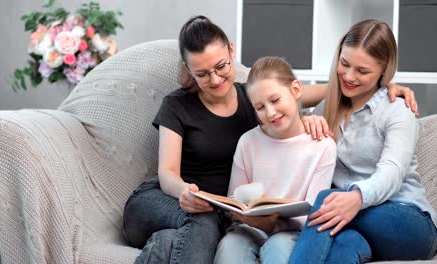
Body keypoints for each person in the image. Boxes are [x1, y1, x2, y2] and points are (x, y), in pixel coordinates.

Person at [122, 15, 418, 264]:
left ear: (231, 53)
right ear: (188, 71)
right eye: (202, 73)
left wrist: (381, 83)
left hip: (224, 214)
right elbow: (167, 173)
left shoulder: (250, 97)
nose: (215, 79)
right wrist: (187, 191)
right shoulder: (180, 105)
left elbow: (312, 89)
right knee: (206, 224)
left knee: (182, 236)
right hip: (178, 199)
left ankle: (163, 245)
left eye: (221, 66)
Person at [289, 19, 437, 264]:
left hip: (411, 224)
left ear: (384, 71)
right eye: (344, 64)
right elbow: (276, 97)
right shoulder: (326, 109)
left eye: (362, 71)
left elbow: (392, 171)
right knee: (346, 245)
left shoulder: (397, 110)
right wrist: (302, 122)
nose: (349, 76)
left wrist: (356, 199)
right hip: (357, 223)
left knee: (328, 200)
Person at [213, 56, 337, 264]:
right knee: (230, 245)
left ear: (296, 90)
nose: (270, 112)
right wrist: (243, 215)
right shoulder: (248, 142)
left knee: (277, 248)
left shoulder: (322, 145)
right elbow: (233, 205)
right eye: (260, 107)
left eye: (275, 100)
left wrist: (273, 226)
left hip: (292, 233)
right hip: (249, 229)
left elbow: (312, 216)